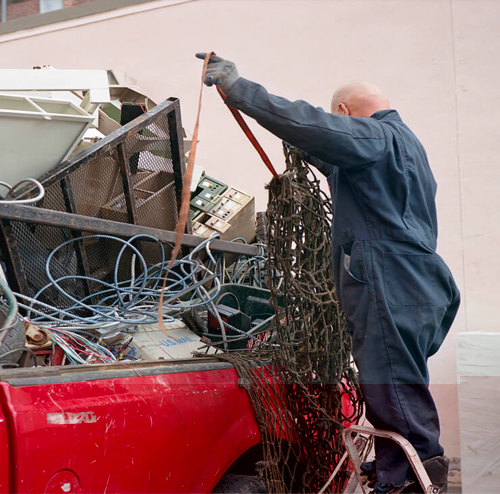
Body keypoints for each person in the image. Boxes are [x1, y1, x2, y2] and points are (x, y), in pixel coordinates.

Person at [196, 53, 460, 494]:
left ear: (344, 112)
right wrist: (314, 155)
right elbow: (347, 167)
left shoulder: (373, 136)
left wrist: (242, 91)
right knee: (400, 382)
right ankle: (400, 470)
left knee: (391, 383)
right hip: (421, 283)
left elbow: (311, 124)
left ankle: (412, 481)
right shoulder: (404, 146)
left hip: (388, 280)